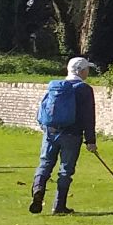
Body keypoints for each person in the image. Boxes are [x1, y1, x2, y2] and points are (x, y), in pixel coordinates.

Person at [30, 56, 97, 215]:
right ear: (80, 71)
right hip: (72, 135)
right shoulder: (84, 89)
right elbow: (88, 117)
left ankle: (38, 189)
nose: (88, 72)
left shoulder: (56, 87)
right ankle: (59, 206)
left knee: (45, 163)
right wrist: (91, 141)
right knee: (65, 170)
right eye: (87, 69)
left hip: (51, 132)